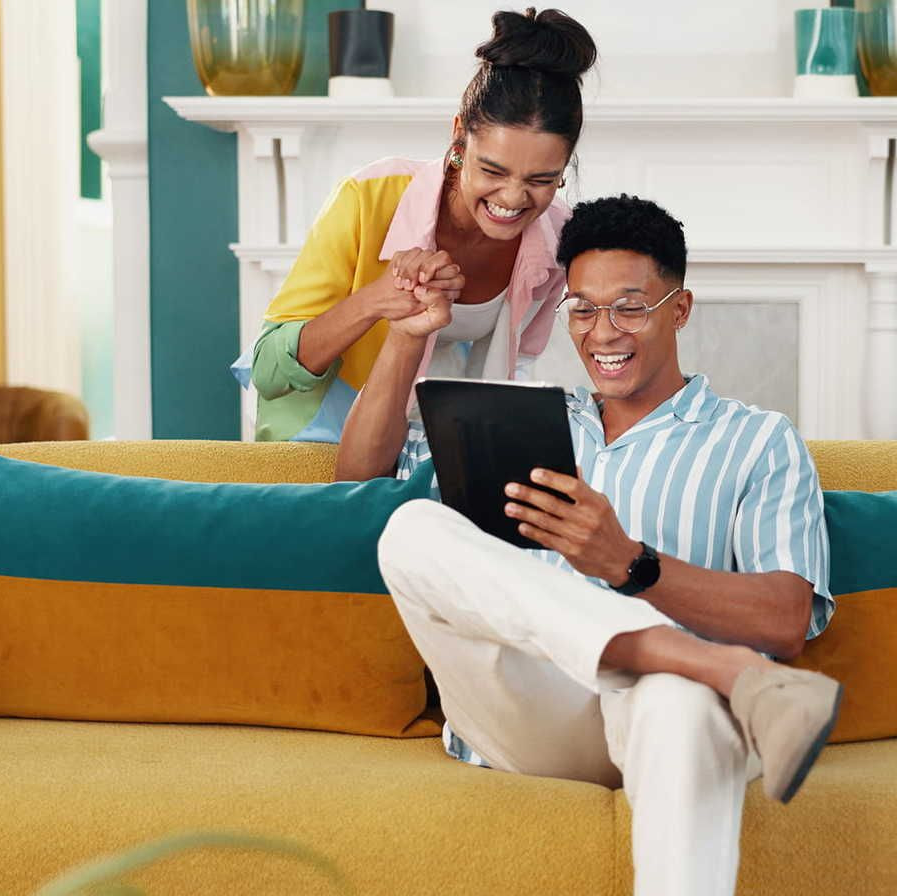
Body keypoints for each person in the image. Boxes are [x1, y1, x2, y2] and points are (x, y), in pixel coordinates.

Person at [338, 194, 842, 896]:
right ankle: (720, 668)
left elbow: (787, 619)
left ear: (680, 308)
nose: (603, 332)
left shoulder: (758, 440)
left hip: (664, 714)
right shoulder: (518, 415)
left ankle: (699, 673)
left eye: (630, 307)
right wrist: (405, 337)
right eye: (582, 308)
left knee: (683, 704)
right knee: (410, 529)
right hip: (530, 706)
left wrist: (630, 567)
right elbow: (354, 485)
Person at [235, 8, 597, 442]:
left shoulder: (558, 239)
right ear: (459, 134)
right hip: (322, 435)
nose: (513, 199)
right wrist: (378, 299)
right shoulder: (370, 198)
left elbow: (514, 365)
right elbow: (270, 368)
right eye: (493, 171)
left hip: (436, 443)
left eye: (541, 180)